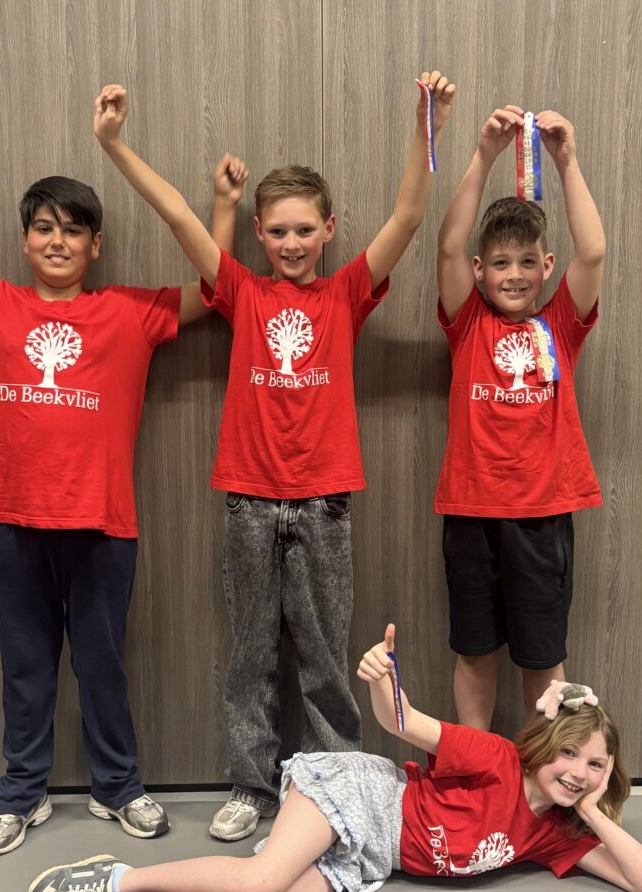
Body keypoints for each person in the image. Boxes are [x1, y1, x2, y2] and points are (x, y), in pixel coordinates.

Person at [90, 72, 456, 841]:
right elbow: (178, 214)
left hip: (324, 503)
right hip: (250, 504)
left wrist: (426, 122)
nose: (291, 244)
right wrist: (114, 145)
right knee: (251, 655)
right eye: (278, 232)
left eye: (304, 230)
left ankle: (337, 792)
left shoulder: (347, 292)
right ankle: (252, 789)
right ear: (259, 233)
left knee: (324, 656)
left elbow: (409, 215)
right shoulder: (241, 292)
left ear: (329, 230)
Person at [0, 134, 247, 855]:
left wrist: (224, 207)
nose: (58, 241)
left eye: (73, 230)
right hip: (10, 517)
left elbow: (217, 291)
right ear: (25, 241)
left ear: (95, 245)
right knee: (25, 667)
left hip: (102, 523)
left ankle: (118, 787)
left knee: (101, 664)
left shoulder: (130, 312)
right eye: (45, 228)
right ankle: (22, 793)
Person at [7, 623, 642, 892]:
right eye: (570, 755)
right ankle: (113, 879)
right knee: (260, 883)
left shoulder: (554, 835)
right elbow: (404, 722)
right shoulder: (495, 758)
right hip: (367, 797)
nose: (577, 773)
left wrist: (593, 811)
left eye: (595, 766)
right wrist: (384, 679)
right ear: (544, 745)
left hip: (371, 857)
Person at [434, 106, 606, 730]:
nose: (514, 275)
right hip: (472, 514)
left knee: (542, 659)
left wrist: (566, 161)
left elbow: (594, 250)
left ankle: (543, 771)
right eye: (501, 263)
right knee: (475, 652)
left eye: (527, 262)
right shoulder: (467, 322)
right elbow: (449, 245)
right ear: (480, 271)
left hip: (542, 517)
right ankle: (476, 766)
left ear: (546, 267)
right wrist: (483, 155)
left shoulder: (560, 324)